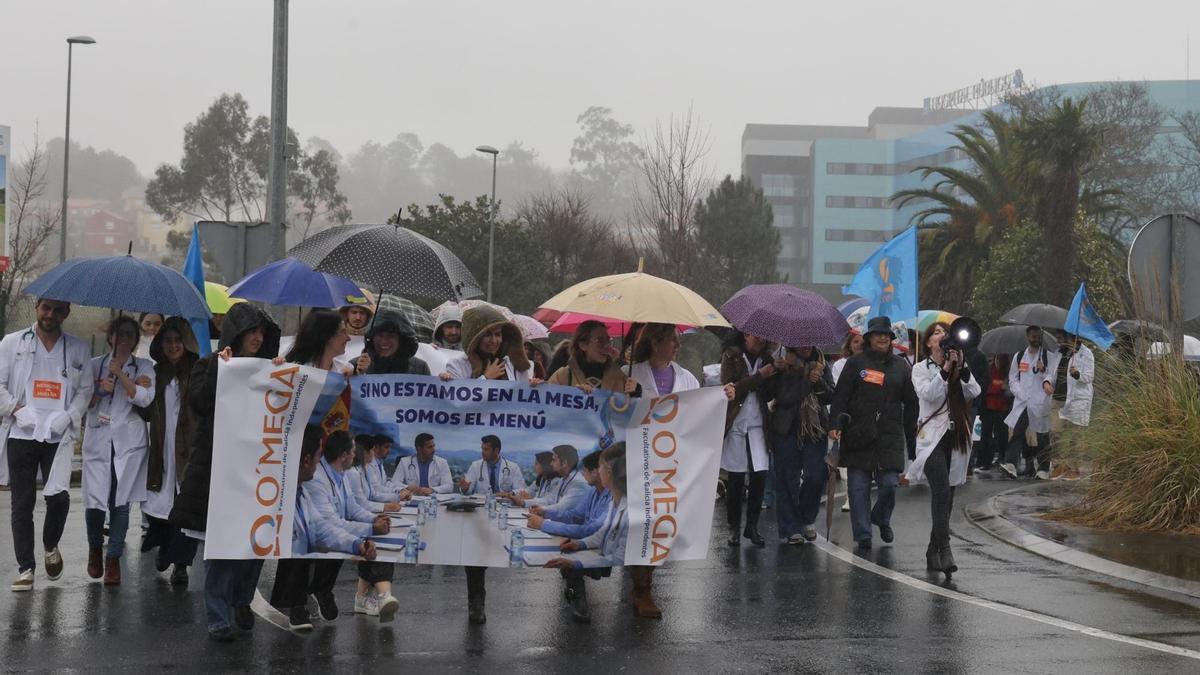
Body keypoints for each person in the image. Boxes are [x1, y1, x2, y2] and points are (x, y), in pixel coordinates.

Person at [170, 302, 280, 641]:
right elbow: (200, 402)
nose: (258, 338)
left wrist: (283, 375)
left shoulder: (270, 368)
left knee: (257, 542)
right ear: (236, 333)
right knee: (221, 546)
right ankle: (218, 615)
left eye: (262, 332)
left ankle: (241, 599)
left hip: (259, 470)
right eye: (252, 331)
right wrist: (221, 368)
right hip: (219, 470)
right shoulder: (209, 365)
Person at [0, 298, 92, 593]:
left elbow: (86, 389)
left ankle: (50, 544)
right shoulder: (12, 343)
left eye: (57, 310)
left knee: (59, 498)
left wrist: (69, 415)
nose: (49, 315)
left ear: (67, 312)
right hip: (22, 433)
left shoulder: (77, 348)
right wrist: (16, 409)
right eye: (45, 308)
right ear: (37, 307)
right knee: (22, 504)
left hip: (57, 437)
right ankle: (26, 567)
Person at [274, 430, 388, 632]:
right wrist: (369, 529)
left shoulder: (341, 475)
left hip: (320, 535)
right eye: (353, 451)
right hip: (307, 544)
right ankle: (299, 600)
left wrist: (372, 522)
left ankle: (319, 590)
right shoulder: (317, 480)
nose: (355, 455)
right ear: (343, 455)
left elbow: (350, 509)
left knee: (343, 543)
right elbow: (330, 523)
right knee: (302, 545)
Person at [626, 322, 700, 618]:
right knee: (642, 521)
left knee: (662, 521)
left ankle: (644, 581)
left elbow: (698, 413)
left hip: (671, 462)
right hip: (638, 460)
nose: (677, 346)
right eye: (672, 340)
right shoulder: (630, 374)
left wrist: (725, 399)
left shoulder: (687, 378)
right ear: (656, 343)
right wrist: (630, 393)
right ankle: (642, 588)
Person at [828, 316, 918, 550]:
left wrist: (912, 436)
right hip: (858, 434)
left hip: (889, 436)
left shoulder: (901, 366)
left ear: (891, 339)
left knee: (889, 485)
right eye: (878, 334)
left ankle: (881, 518)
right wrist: (835, 424)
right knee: (858, 489)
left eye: (886, 335)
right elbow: (841, 397)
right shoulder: (856, 363)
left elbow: (911, 403)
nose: (882, 338)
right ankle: (863, 535)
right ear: (869, 338)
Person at [82, 316, 155, 586]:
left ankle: (113, 559)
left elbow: (146, 397)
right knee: (94, 501)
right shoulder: (93, 366)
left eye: (130, 334)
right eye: (119, 334)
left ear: (136, 340)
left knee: (120, 502)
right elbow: (80, 402)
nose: (124, 339)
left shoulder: (145, 366)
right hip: (98, 441)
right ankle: (94, 548)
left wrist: (122, 375)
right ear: (110, 336)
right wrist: (100, 390)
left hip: (128, 444)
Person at [904, 323, 981, 578]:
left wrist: (961, 367)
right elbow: (929, 395)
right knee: (940, 491)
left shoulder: (960, 365)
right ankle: (945, 548)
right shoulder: (919, 369)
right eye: (936, 332)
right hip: (931, 437)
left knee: (948, 493)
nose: (942, 336)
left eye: (944, 332)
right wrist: (945, 370)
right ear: (928, 343)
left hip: (956, 435)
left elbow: (975, 391)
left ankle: (932, 548)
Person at [141, 317, 200, 586]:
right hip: (162, 449)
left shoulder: (199, 372)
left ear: (187, 343)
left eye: (178, 340)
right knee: (160, 507)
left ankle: (181, 565)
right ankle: (164, 546)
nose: (174, 345)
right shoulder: (156, 373)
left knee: (187, 508)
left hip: (189, 450)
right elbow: (143, 408)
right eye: (168, 340)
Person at [545, 443, 628, 623]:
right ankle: (574, 592)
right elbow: (593, 529)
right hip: (602, 549)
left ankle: (579, 602)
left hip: (608, 556)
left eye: (600, 467)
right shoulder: (599, 494)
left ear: (607, 472)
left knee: (568, 559)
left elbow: (611, 549)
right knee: (568, 548)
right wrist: (579, 544)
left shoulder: (623, 504)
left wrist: (576, 563)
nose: (584, 474)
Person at [455, 434, 527, 624]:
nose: (483, 452)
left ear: (497, 450)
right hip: (481, 518)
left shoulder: (512, 468)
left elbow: (522, 491)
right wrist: (464, 487)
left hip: (505, 517)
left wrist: (510, 493)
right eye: (482, 448)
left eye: (486, 449)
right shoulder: (475, 466)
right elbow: (468, 489)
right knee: (474, 559)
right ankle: (476, 604)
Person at [767, 345, 834, 544]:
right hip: (786, 428)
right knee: (787, 479)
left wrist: (818, 382)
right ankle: (791, 529)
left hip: (814, 429)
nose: (805, 347)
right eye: (800, 343)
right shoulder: (781, 363)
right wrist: (777, 372)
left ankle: (806, 517)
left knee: (816, 475)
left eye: (809, 342)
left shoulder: (821, 364)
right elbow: (776, 397)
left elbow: (831, 395)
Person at [720, 331, 779, 547]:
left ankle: (752, 526)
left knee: (759, 476)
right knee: (735, 479)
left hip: (758, 425)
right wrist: (760, 376)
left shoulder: (768, 359)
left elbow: (770, 394)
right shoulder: (732, 356)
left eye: (762, 335)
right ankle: (734, 527)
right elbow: (729, 387)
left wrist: (775, 375)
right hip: (736, 423)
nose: (760, 338)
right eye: (755, 335)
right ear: (745, 336)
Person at [343, 435, 403, 623]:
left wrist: (378, 516)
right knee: (381, 550)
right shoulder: (353, 472)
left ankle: (362, 598)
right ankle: (383, 595)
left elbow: (369, 496)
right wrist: (380, 513)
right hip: (346, 525)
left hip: (359, 520)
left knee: (378, 545)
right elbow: (359, 503)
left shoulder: (363, 469)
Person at [1000, 326, 1059, 480]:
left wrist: (1043, 369)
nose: (1036, 339)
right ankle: (1011, 464)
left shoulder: (1048, 356)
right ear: (1028, 337)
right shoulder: (1019, 357)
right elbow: (1013, 378)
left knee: (1042, 436)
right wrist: (1020, 393)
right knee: (1018, 432)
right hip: (1023, 401)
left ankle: (1044, 468)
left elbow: (1052, 376)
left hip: (1040, 402)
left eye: (1038, 336)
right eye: (1033, 336)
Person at [442, 305, 535, 384]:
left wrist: (535, 388)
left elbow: (523, 397)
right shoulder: (457, 365)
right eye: (487, 335)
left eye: (498, 334)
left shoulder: (512, 363)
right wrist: (486, 379)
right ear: (474, 338)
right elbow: (458, 401)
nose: (494, 341)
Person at [546, 320, 639, 396]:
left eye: (608, 340)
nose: (607, 346)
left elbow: (630, 414)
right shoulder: (563, 376)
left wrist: (636, 392)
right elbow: (548, 408)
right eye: (600, 341)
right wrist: (536, 387)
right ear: (582, 345)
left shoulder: (619, 377)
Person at [830, 331, 864, 513]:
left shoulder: (872, 363)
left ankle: (860, 496)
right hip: (847, 418)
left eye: (862, 341)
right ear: (849, 344)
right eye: (856, 341)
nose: (859, 344)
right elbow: (839, 391)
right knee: (847, 459)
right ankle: (850, 498)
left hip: (866, 418)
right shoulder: (840, 365)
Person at [1052, 333, 1093, 481]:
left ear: (1075, 339)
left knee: (1076, 436)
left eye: (1064, 339)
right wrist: (1046, 382)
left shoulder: (1086, 354)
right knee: (1055, 433)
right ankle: (1058, 466)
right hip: (1058, 399)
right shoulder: (1059, 354)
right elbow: (1051, 374)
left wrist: (1077, 374)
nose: (1060, 342)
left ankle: (1074, 469)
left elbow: (1089, 376)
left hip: (1078, 400)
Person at [354, 309, 433, 379]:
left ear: (401, 340)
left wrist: (443, 382)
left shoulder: (420, 368)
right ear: (371, 338)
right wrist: (356, 374)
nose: (384, 341)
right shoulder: (355, 365)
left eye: (390, 335)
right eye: (380, 335)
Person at [506, 445, 588, 510]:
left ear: (564, 463)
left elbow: (561, 507)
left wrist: (526, 503)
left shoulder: (578, 483)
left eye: (554, 460)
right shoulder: (564, 479)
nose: (551, 464)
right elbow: (550, 500)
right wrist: (523, 502)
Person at [283, 309, 353, 374]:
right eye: (343, 332)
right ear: (327, 336)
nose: (348, 338)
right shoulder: (295, 372)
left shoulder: (346, 370)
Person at [973, 355, 1012, 473]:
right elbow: (984, 386)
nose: (999, 361)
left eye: (1002, 359)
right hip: (988, 408)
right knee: (985, 436)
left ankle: (1003, 459)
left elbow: (1010, 389)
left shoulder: (1009, 372)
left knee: (1002, 436)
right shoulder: (989, 371)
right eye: (998, 358)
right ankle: (984, 462)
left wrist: (1004, 388)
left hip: (1003, 408)